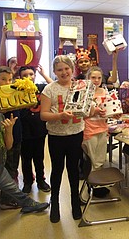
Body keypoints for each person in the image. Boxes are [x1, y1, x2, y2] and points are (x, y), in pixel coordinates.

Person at [0, 82, 49, 238]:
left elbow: (8, 146)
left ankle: (28, 205)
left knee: (16, 192)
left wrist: (9, 130)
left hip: (0, 170)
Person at [40, 55, 83, 223]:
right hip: (56, 136)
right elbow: (43, 115)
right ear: (54, 72)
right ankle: (55, 203)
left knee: (73, 170)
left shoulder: (80, 87)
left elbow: (87, 109)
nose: (64, 72)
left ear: (72, 69)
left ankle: (75, 202)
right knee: (57, 170)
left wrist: (96, 112)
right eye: (59, 69)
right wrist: (59, 115)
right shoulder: (49, 89)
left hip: (76, 134)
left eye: (67, 68)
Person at [82, 66, 122, 198]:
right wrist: (95, 111)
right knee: (92, 159)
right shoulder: (83, 92)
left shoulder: (104, 92)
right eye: (93, 77)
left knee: (100, 158)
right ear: (88, 78)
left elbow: (109, 110)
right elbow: (81, 114)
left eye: (99, 78)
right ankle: (92, 185)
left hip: (102, 128)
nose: (96, 80)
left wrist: (114, 114)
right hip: (89, 129)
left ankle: (98, 183)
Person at [19, 65, 53, 194]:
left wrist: (44, 74)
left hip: (39, 129)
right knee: (26, 158)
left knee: (39, 157)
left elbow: (54, 85)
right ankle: (28, 181)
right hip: (24, 130)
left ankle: (40, 180)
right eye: (25, 75)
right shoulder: (17, 89)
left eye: (31, 74)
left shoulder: (40, 88)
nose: (28, 77)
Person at [0, 67, 23, 210]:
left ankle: (12, 196)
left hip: (16, 135)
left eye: (10, 79)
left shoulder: (13, 93)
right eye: (3, 79)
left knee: (13, 167)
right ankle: (7, 200)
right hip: (3, 138)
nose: (7, 82)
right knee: (9, 169)